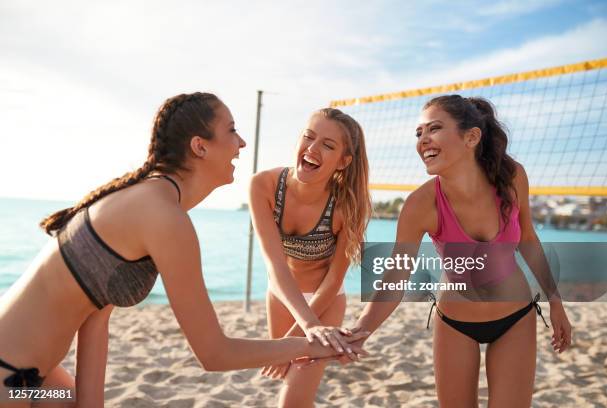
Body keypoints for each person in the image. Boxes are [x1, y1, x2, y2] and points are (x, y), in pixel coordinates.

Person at [0, 93, 366, 408]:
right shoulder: (163, 216)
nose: (242, 144)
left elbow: (96, 314)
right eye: (232, 131)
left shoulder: (148, 202)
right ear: (200, 146)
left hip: (37, 380)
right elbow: (214, 354)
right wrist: (319, 345)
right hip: (10, 381)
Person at [331, 95, 572, 407]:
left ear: (471, 137)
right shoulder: (420, 204)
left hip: (516, 317)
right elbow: (396, 276)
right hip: (455, 323)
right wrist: (360, 330)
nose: (423, 140)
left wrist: (556, 302)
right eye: (419, 133)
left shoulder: (512, 177)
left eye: (434, 129)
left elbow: (528, 239)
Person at [249, 107, 371, 407]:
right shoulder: (262, 186)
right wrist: (287, 342)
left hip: (324, 303)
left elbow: (334, 281)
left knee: (292, 398)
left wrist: (300, 330)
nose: (313, 148)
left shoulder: (346, 207)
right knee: (295, 390)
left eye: (328, 145)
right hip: (282, 295)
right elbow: (274, 265)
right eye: (309, 137)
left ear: (343, 161)